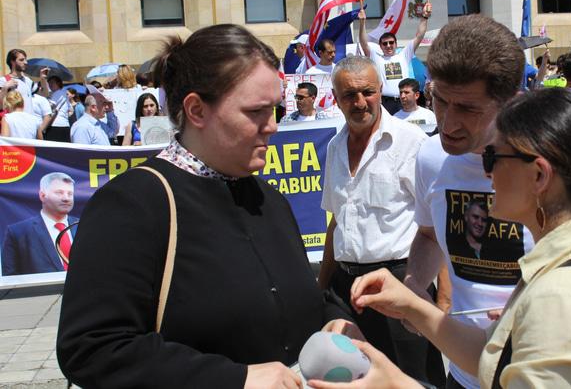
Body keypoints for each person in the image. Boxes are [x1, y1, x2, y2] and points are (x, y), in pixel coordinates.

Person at [57, 24, 358, 388]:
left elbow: (290, 297)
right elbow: (91, 347)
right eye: (256, 112)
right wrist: (234, 379)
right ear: (197, 110)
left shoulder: (269, 199)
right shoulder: (133, 204)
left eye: (276, 109)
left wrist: (332, 320)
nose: (272, 126)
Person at [308, 88, 571, 389]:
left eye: (493, 157)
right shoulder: (564, 259)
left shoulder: (561, 296)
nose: (485, 171)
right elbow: (489, 358)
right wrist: (413, 306)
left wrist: (394, 384)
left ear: (539, 175)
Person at [400, 16, 571, 389]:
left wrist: (538, 313)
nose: (448, 123)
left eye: (468, 108)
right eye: (439, 100)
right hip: (469, 368)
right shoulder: (430, 156)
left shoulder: (561, 158)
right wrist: (413, 287)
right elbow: (428, 235)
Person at [317, 55, 443, 386]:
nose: (360, 102)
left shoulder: (412, 142)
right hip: (345, 291)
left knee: (413, 382)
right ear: (336, 98)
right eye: (349, 95)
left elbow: (436, 225)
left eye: (368, 92)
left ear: (381, 89)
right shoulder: (334, 147)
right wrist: (321, 290)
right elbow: (336, 222)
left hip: (401, 285)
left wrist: (440, 302)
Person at [357, 2, 431, 115]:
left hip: (404, 101)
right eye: (385, 43)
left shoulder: (404, 55)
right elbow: (363, 43)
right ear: (380, 46)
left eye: (391, 43)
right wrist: (362, 22)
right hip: (385, 103)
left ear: (396, 44)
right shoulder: (376, 57)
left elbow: (419, 36)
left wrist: (424, 17)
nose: (388, 46)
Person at [2, 172, 77, 276]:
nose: (66, 198)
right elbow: (10, 278)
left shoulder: (83, 226)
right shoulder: (18, 232)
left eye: (70, 194)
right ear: (42, 195)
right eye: (59, 193)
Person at [0, 49, 44, 116]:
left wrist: (43, 79)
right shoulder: (3, 80)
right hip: (14, 121)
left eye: (25, 59)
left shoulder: (28, 80)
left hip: (29, 120)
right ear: (12, 62)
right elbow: (0, 106)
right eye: (21, 60)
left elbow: (44, 94)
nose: (26, 62)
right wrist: (5, 88)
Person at [44, 76, 73, 142]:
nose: (50, 85)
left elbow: (50, 106)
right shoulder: (64, 94)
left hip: (55, 125)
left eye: (52, 82)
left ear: (58, 83)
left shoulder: (58, 93)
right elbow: (71, 110)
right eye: (49, 83)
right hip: (65, 125)